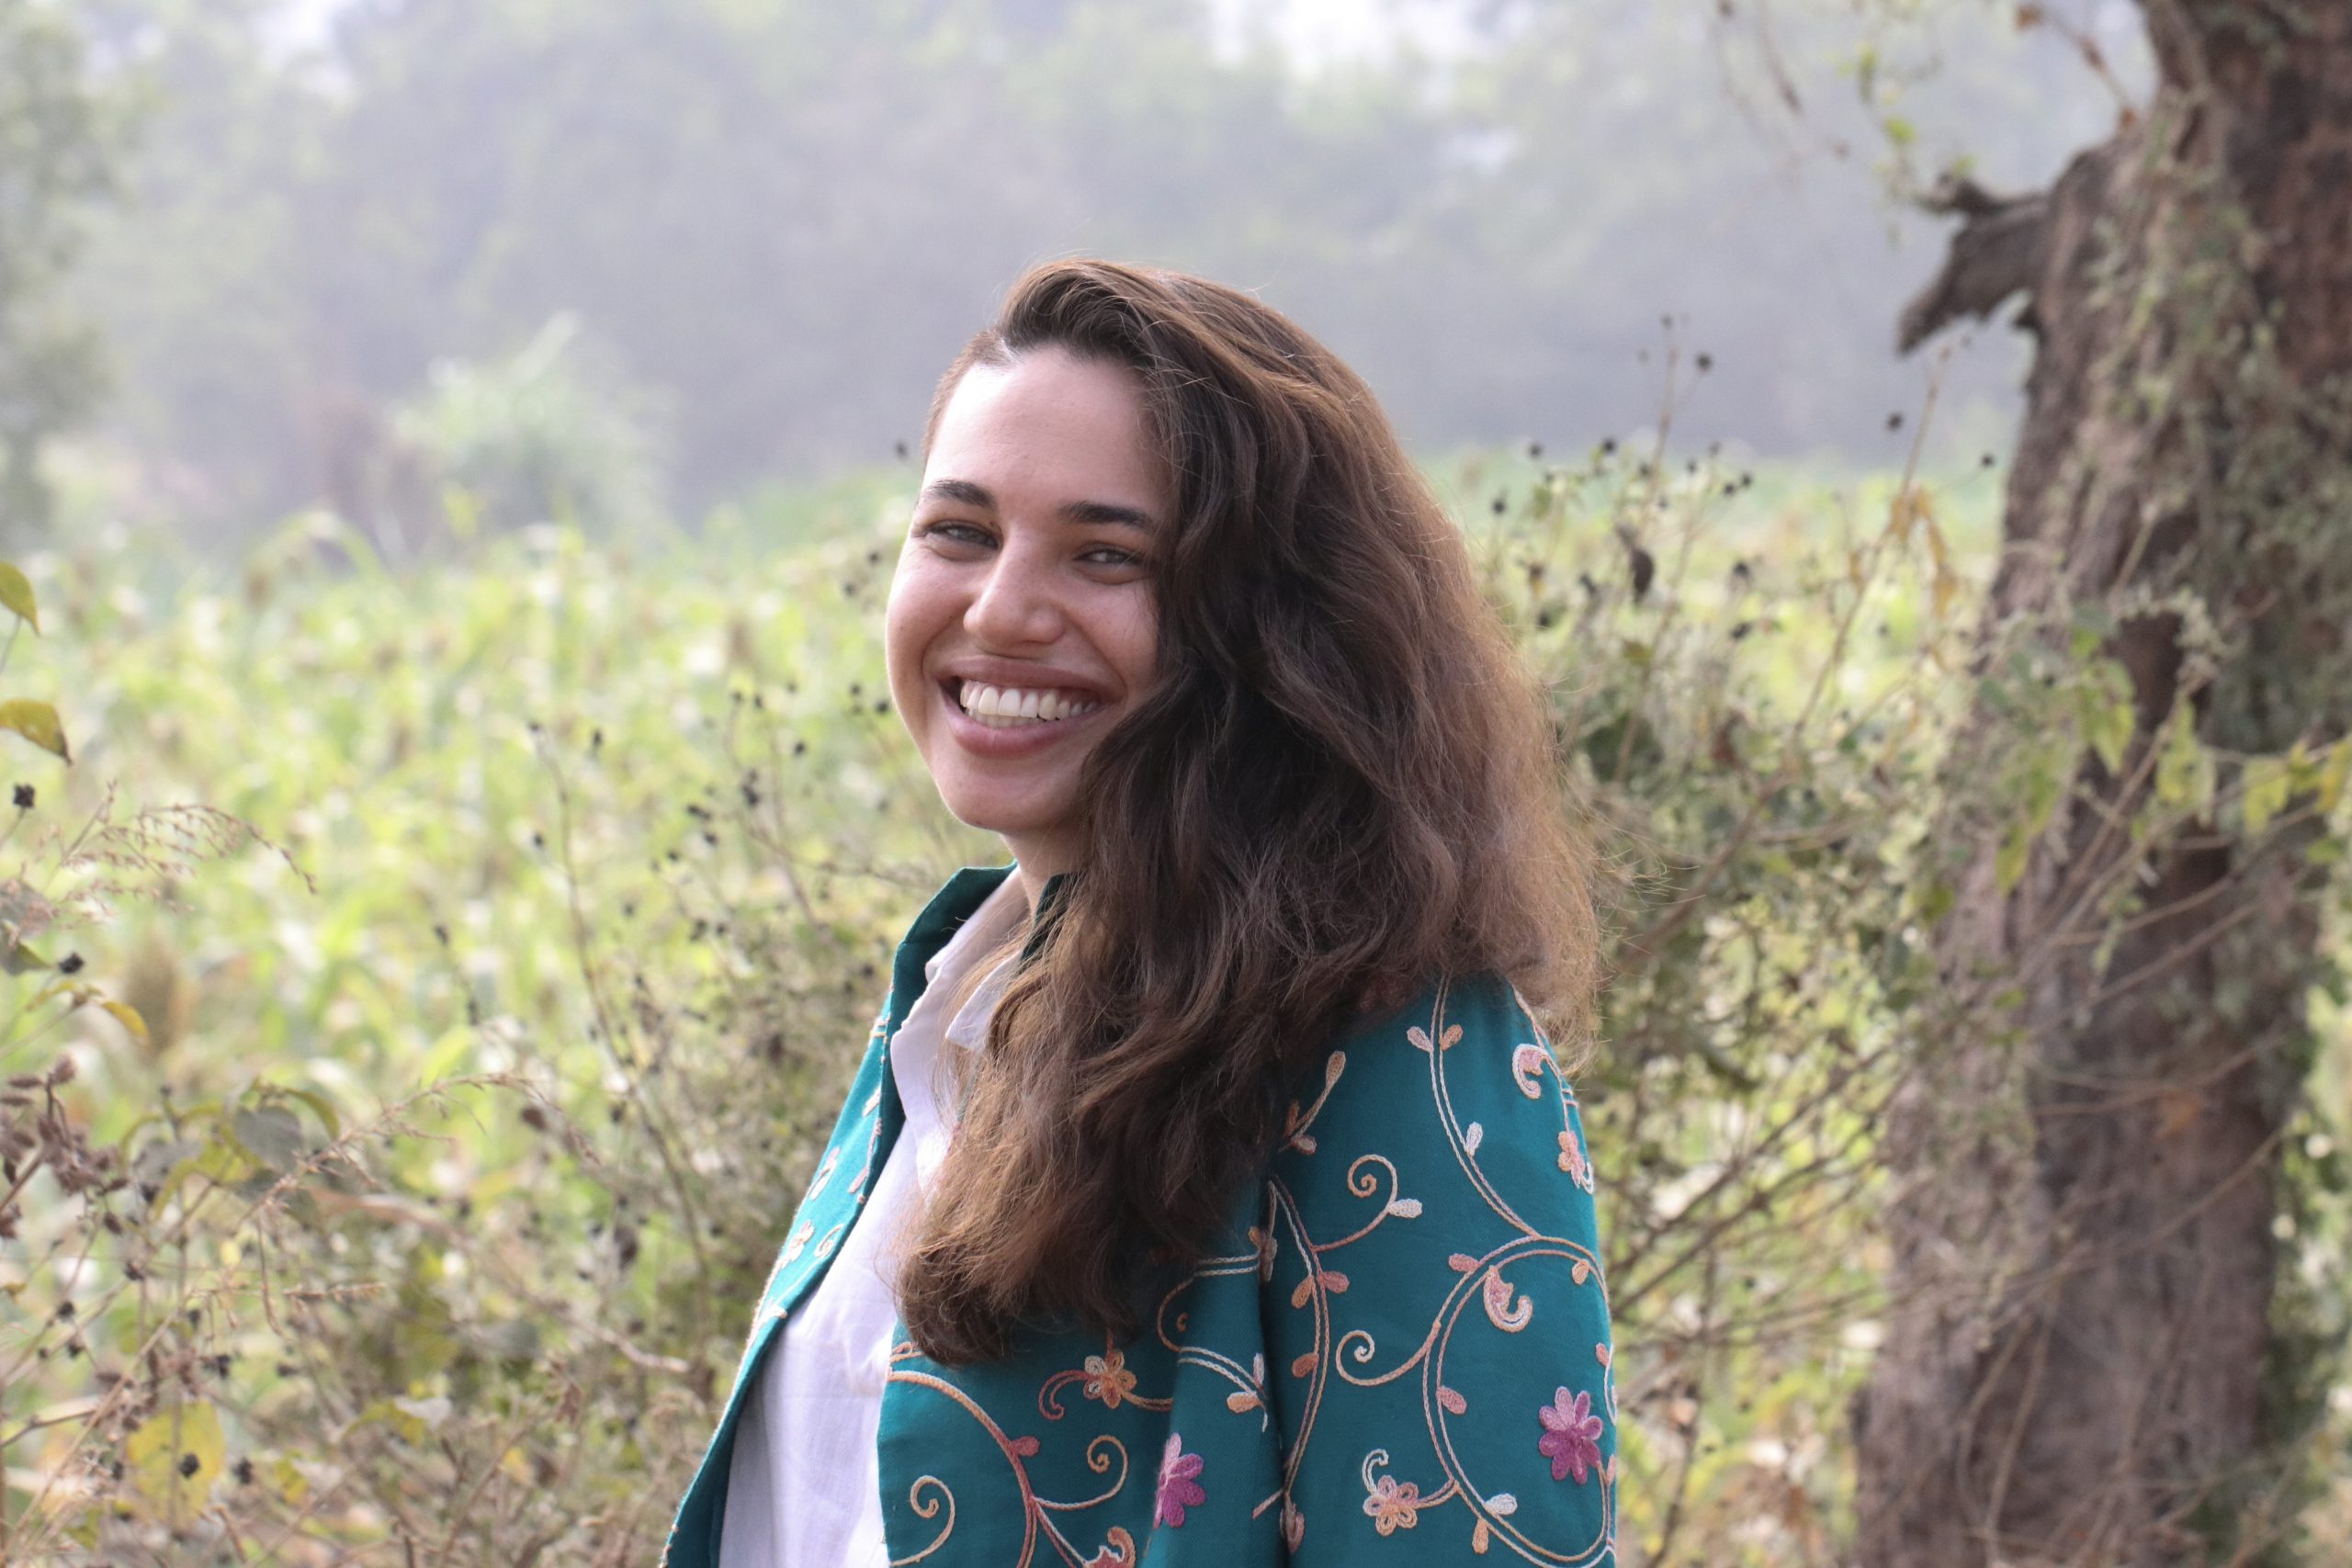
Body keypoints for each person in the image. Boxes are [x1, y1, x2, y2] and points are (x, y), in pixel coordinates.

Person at [663, 259, 1615, 1567]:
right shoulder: (955, 1006)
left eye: (1106, 554)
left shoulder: (1403, 1060)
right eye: (960, 531)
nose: (1000, 610)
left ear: (1271, 629)